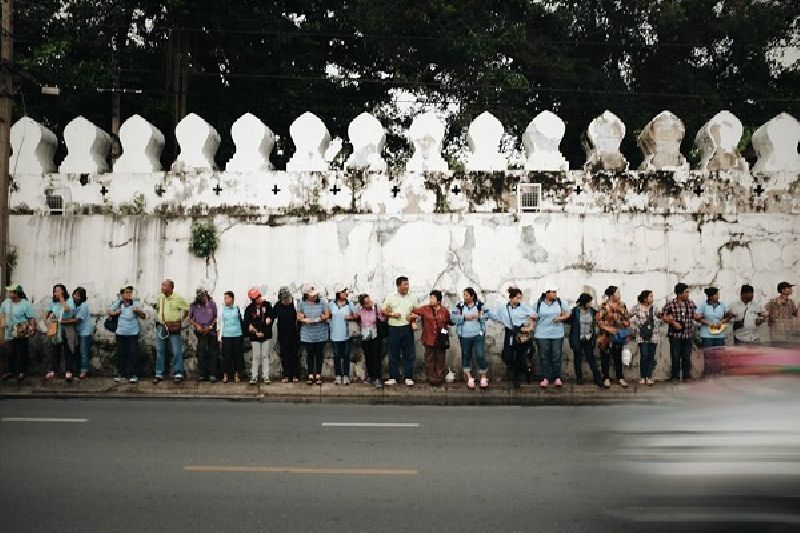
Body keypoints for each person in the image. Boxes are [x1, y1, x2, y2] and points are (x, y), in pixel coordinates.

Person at [486, 287, 536, 388]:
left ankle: (516, 378)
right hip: (509, 332)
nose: (518, 300)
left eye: (520, 298)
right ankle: (524, 370)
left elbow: (534, 315)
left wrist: (529, 327)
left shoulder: (523, 307)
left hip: (520, 332)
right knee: (507, 356)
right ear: (511, 298)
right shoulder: (503, 307)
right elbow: (495, 315)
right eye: (517, 298)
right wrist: (485, 311)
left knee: (520, 356)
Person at [382, 276, 419, 387]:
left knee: (409, 354)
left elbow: (417, 311)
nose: (407, 287)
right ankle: (393, 377)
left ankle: (408, 377)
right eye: (405, 284)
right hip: (393, 328)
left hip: (407, 328)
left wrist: (413, 316)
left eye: (408, 284)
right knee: (393, 354)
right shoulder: (390, 296)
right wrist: (392, 314)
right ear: (398, 286)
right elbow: (383, 311)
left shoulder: (412, 297)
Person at [660, 282, 700, 382]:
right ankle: (675, 376)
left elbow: (694, 315)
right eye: (686, 292)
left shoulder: (690, 303)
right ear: (680, 293)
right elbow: (663, 316)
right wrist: (673, 322)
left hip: (688, 334)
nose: (688, 294)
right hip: (675, 335)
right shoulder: (670, 304)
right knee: (675, 356)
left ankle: (687, 376)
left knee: (687, 356)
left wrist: (700, 317)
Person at [451, 287, 489, 389]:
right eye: (464, 295)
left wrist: (480, 316)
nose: (465, 297)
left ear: (472, 296)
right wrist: (464, 317)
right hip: (464, 335)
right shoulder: (460, 306)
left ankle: (484, 376)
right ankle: (469, 377)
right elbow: (453, 317)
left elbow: (488, 314)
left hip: (478, 334)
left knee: (480, 354)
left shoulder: (479, 305)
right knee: (466, 355)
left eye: (467, 295)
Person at [411, 290, 451, 387]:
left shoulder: (444, 311)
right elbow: (413, 312)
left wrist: (445, 335)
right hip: (428, 337)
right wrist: (413, 321)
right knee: (429, 358)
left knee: (440, 358)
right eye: (430, 297)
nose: (431, 299)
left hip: (440, 339)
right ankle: (431, 377)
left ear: (438, 300)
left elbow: (447, 323)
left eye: (433, 297)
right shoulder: (425, 309)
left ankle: (439, 377)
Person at [532, 287, 570, 388]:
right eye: (553, 292)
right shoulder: (538, 303)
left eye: (555, 292)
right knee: (544, 357)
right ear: (546, 293)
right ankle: (546, 378)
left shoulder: (560, 302)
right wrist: (531, 325)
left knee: (556, 356)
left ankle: (557, 377)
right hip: (541, 334)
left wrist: (560, 318)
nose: (555, 294)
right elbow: (532, 316)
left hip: (557, 334)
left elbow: (568, 313)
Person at [154, 279, 189, 383]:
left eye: (164, 285)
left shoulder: (178, 298)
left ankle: (178, 373)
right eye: (162, 285)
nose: (162, 287)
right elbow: (158, 309)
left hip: (173, 326)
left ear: (170, 288)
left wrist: (181, 320)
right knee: (160, 350)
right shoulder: (160, 297)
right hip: (161, 326)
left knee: (176, 350)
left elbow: (187, 309)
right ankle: (159, 373)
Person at [596, 286, 631, 388]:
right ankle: (606, 378)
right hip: (605, 336)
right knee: (605, 357)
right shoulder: (604, 305)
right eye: (618, 293)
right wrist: (608, 328)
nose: (619, 295)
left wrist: (626, 323)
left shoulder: (622, 305)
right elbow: (598, 321)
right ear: (612, 295)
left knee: (618, 357)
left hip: (618, 335)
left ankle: (620, 378)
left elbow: (627, 318)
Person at [109, 286, 145, 382]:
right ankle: (121, 374)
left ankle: (134, 375)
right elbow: (109, 312)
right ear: (122, 294)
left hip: (133, 334)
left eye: (130, 292)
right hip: (120, 333)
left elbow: (144, 316)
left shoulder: (136, 303)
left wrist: (138, 311)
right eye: (126, 292)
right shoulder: (118, 303)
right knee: (121, 354)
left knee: (133, 354)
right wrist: (116, 312)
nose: (129, 294)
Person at [0, 284, 36, 381]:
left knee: (22, 351)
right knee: (9, 352)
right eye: (9, 291)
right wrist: (2, 327)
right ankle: (10, 371)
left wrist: (32, 329)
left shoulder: (25, 304)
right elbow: (2, 315)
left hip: (21, 331)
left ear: (17, 293)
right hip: (8, 331)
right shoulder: (5, 303)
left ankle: (22, 372)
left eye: (11, 291)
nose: (9, 293)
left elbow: (31, 317)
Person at [297, 283, 330, 385]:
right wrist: (304, 318)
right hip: (307, 333)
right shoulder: (301, 303)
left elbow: (327, 314)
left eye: (315, 295)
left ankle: (318, 375)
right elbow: (298, 316)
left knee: (319, 354)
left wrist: (322, 317)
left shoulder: (322, 302)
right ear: (306, 295)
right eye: (312, 295)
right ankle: (310, 375)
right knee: (310, 354)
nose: (314, 296)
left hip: (320, 332)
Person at [567, 293, 602, 387]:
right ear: (584, 302)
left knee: (591, 359)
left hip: (588, 338)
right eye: (589, 302)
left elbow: (599, 317)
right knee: (577, 359)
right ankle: (579, 378)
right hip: (577, 339)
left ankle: (598, 378)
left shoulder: (592, 311)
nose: (590, 303)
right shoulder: (575, 311)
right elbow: (567, 319)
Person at [45, 284, 77, 381]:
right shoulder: (53, 302)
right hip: (55, 328)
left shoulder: (70, 300)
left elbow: (68, 310)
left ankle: (68, 371)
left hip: (66, 328)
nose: (56, 292)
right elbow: (48, 313)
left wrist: (61, 299)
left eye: (58, 290)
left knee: (68, 350)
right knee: (55, 350)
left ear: (63, 291)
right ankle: (54, 371)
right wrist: (47, 321)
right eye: (55, 290)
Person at [244, 287, 274, 385]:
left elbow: (270, 319)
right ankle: (254, 376)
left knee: (265, 355)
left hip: (266, 334)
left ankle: (266, 376)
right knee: (256, 356)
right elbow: (247, 323)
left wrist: (264, 330)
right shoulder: (249, 309)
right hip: (254, 335)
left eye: (258, 297)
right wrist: (255, 331)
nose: (257, 299)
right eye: (255, 298)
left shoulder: (267, 305)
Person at [329, 286, 357, 385]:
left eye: (346, 292)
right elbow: (327, 315)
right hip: (335, 334)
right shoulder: (331, 304)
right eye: (343, 292)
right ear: (338, 294)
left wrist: (351, 316)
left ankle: (346, 376)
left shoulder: (350, 304)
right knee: (336, 356)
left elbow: (357, 315)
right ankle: (337, 376)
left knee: (346, 356)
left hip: (346, 334)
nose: (345, 294)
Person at [630, 290, 659, 385]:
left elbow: (661, 317)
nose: (652, 298)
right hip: (642, 335)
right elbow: (627, 316)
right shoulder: (637, 308)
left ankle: (649, 376)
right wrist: (634, 325)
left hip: (653, 334)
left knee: (651, 356)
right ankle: (643, 376)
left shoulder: (654, 308)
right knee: (644, 355)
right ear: (645, 298)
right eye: (650, 296)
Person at [356, 293, 385, 388]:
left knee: (376, 356)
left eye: (370, 301)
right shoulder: (360, 310)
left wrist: (381, 315)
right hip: (365, 336)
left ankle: (377, 378)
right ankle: (371, 376)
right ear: (362, 304)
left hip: (375, 336)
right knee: (368, 357)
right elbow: (358, 320)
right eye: (367, 303)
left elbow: (383, 319)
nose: (369, 304)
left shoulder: (377, 308)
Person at [189, 289, 218, 382]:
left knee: (212, 353)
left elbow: (216, 317)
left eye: (203, 296)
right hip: (200, 332)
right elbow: (190, 318)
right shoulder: (194, 305)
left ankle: (212, 374)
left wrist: (210, 327)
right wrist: (197, 326)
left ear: (206, 295)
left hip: (211, 331)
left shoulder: (212, 304)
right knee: (201, 353)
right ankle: (202, 374)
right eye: (200, 297)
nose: (202, 298)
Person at [273, 287, 300, 382]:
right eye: (284, 299)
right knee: (284, 355)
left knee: (294, 354)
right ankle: (286, 375)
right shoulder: (278, 305)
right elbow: (272, 315)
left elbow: (299, 317)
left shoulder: (295, 304)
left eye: (287, 298)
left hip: (294, 333)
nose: (286, 301)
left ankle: (295, 374)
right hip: (282, 334)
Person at [218, 291, 244, 383]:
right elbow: (219, 324)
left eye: (227, 298)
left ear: (232, 298)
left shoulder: (238, 308)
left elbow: (243, 320)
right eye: (224, 298)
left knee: (237, 355)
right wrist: (219, 338)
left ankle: (237, 374)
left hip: (237, 335)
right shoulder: (222, 309)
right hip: (226, 335)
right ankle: (225, 375)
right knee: (226, 356)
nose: (225, 300)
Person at [69, 287, 94, 379]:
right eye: (75, 294)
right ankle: (78, 369)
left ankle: (84, 371)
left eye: (78, 295)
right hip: (78, 332)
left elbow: (77, 320)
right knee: (77, 352)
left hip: (85, 332)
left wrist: (63, 321)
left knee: (84, 352)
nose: (75, 296)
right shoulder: (73, 305)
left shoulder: (84, 306)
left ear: (82, 297)